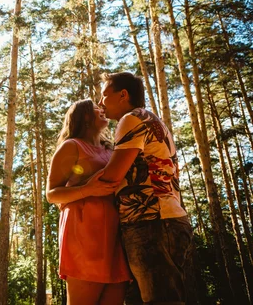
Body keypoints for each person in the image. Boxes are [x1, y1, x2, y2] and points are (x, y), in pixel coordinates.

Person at [96, 72, 193, 305]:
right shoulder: (151, 120)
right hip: (166, 220)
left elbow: (112, 176)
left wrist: (74, 189)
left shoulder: (131, 119)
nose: (100, 103)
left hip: (152, 223)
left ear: (123, 95)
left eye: (104, 96)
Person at [46, 99, 131, 305]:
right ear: (85, 116)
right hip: (83, 234)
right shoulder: (71, 146)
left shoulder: (112, 149)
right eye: (96, 108)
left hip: (115, 234)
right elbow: (52, 194)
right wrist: (88, 189)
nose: (102, 109)